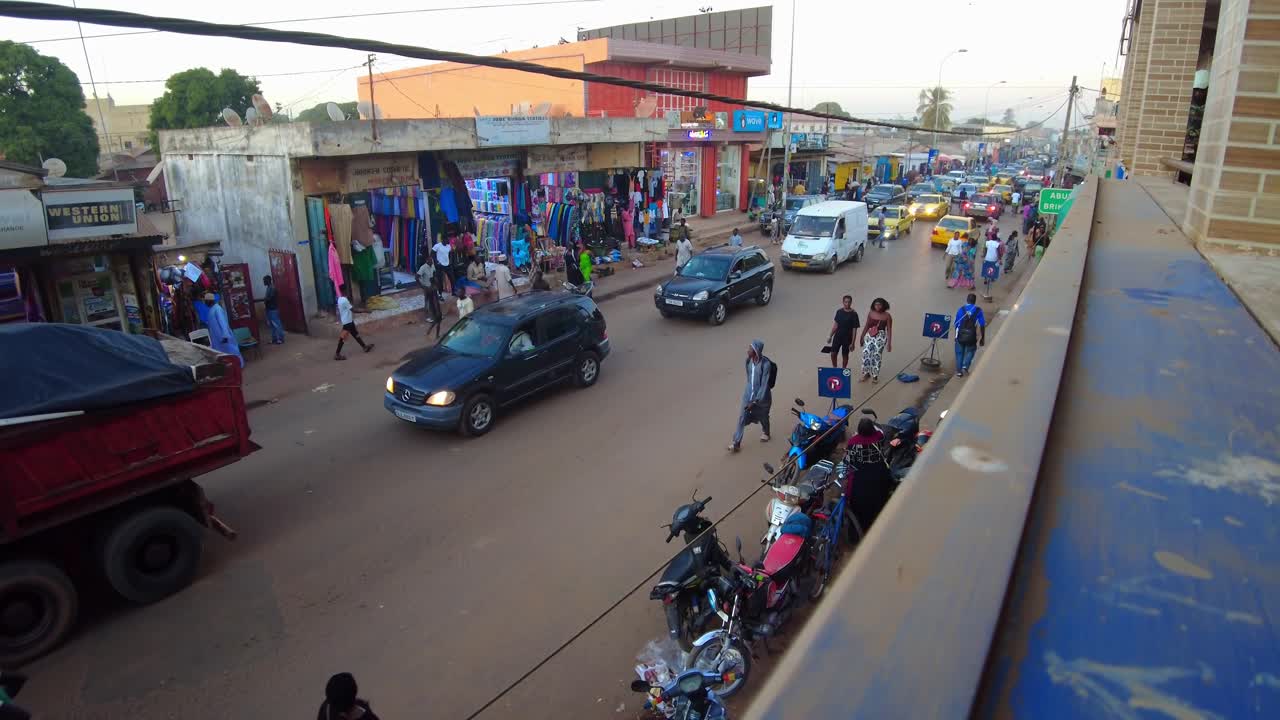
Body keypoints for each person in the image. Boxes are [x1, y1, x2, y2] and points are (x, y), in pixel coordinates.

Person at [845, 417, 893, 534]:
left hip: (860, 478)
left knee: (858, 507)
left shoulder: (853, 442)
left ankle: (856, 535)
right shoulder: (878, 437)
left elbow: (848, 461)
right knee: (878, 501)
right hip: (879, 475)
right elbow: (881, 433)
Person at [730, 339, 774, 452]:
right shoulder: (748, 361)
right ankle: (736, 443)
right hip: (748, 394)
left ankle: (766, 432)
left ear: (756, 350)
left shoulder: (766, 364)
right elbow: (749, 377)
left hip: (762, 398)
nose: (747, 350)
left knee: (763, 417)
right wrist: (749, 393)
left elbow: (764, 385)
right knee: (742, 417)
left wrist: (755, 401)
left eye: (750, 348)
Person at [858, 297, 893, 383]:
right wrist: (861, 337)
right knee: (866, 354)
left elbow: (889, 329)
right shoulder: (871, 313)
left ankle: (875, 375)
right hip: (869, 335)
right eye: (876, 304)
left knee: (877, 355)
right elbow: (866, 325)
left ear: (883, 305)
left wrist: (889, 343)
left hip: (880, 337)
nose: (877, 306)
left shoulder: (887, 316)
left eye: (879, 304)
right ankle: (866, 373)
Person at [203, 293, 243, 366]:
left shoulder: (217, 309)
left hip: (224, 337)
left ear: (209, 301)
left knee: (232, 352)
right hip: (217, 338)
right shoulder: (212, 309)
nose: (205, 303)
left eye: (205, 301)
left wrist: (225, 336)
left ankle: (239, 365)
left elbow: (223, 323)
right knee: (223, 355)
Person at [334, 287, 373, 361]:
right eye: (348, 290)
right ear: (345, 291)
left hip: (348, 321)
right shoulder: (344, 300)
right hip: (347, 323)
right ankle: (337, 354)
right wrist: (365, 311)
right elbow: (354, 310)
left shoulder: (339, 299)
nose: (349, 292)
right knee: (343, 338)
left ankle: (364, 347)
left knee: (355, 334)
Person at [954, 293, 986, 377]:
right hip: (971, 336)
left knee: (959, 353)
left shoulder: (961, 309)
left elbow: (956, 324)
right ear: (974, 301)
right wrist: (982, 338)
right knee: (971, 350)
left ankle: (959, 372)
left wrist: (955, 336)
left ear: (967, 300)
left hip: (960, 335)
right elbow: (982, 324)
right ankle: (965, 366)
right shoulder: (978, 310)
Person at [827, 295, 861, 369]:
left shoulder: (854, 314)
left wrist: (853, 343)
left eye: (849, 302)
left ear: (851, 302)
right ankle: (834, 368)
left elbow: (854, 329)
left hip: (847, 338)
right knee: (833, 353)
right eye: (846, 302)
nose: (847, 304)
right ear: (843, 302)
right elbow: (835, 325)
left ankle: (843, 369)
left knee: (845, 355)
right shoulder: (839, 312)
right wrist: (830, 336)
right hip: (837, 336)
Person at [416, 256, 443, 335]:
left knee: (435, 301)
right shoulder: (423, 267)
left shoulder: (433, 265)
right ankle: (428, 317)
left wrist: (435, 282)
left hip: (432, 287)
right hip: (427, 288)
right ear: (426, 260)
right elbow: (416, 277)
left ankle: (436, 315)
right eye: (430, 261)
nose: (431, 262)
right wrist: (423, 287)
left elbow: (434, 274)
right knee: (427, 302)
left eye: (432, 261)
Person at [262, 275, 285, 345]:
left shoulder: (272, 288)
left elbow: (270, 298)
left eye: (264, 280)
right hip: (269, 309)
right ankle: (274, 339)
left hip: (273, 309)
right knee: (272, 325)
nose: (263, 282)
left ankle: (281, 338)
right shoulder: (269, 288)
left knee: (277, 324)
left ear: (268, 280)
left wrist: (264, 300)